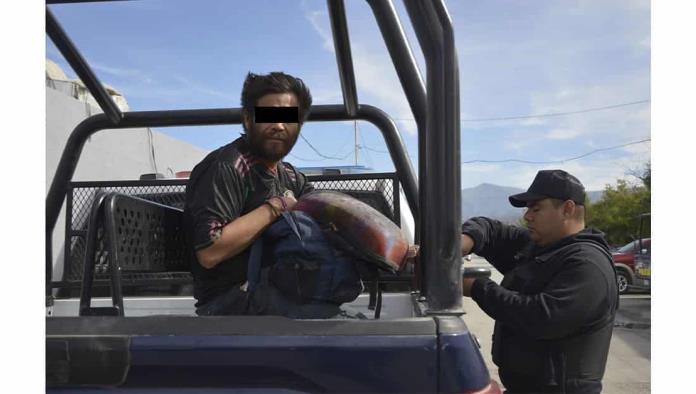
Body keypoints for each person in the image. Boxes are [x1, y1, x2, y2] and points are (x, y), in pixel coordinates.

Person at [184, 71, 335, 317]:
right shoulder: (227, 166)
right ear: (247, 119)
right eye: (269, 116)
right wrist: (275, 207)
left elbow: (323, 210)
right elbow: (209, 251)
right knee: (334, 329)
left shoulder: (290, 176)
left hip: (276, 289)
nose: (278, 126)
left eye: (288, 118)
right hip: (229, 302)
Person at [460, 169, 618, 394]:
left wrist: (476, 287)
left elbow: (542, 317)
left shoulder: (587, 264)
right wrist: (465, 240)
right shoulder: (540, 246)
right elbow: (491, 230)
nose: (527, 216)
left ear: (567, 209)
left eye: (536, 208)